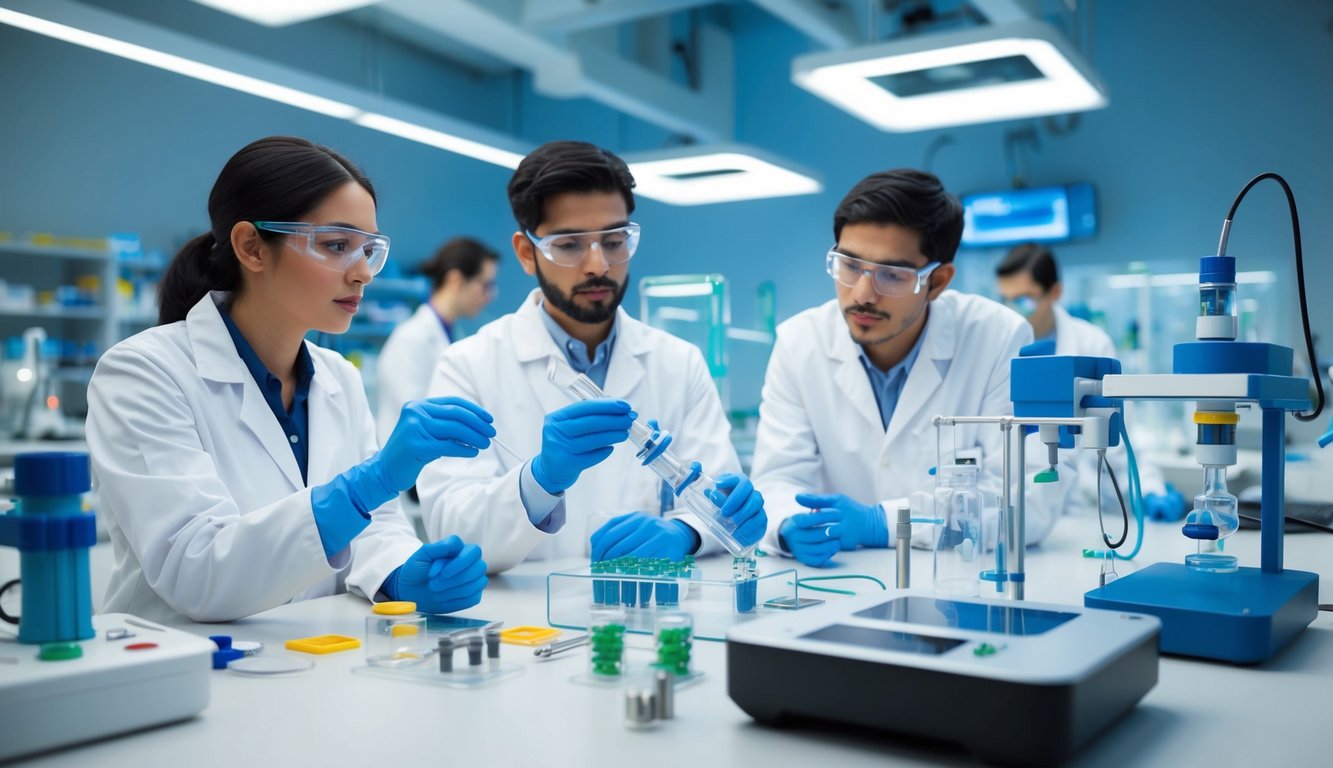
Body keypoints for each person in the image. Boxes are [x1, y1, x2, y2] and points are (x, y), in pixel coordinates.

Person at [86, 136, 491, 623]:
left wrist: (400, 574)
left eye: (370, 250)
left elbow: (376, 531)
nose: (363, 274)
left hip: (314, 666)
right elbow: (196, 568)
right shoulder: (143, 373)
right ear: (252, 247)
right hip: (180, 671)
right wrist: (369, 484)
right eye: (337, 246)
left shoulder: (338, 378)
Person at [416, 140, 766, 573]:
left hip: (651, 615)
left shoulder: (679, 362)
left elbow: (719, 503)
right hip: (525, 629)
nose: (598, 264)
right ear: (528, 254)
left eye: (615, 240)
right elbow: (451, 527)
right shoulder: (468, 366)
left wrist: (687, 532)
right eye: (569, 245)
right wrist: (540, 480)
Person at [752, 169, 1065, 568]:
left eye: (892, 275)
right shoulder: (799, 343)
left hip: (955, 583)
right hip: (839, 580)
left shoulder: (997, 338)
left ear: (937, 281)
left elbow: (1028, 500)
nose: (863, 294)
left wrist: (881, 523)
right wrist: (785, 525)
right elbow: (777, 479)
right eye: (849, 265)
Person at [995, 242, 1183, 520]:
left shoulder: (1092, 345)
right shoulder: (998, 347)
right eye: (1005, 300)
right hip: (1010, 509)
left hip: (1080, 512)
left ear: (1055, 292)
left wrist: (1150, 490)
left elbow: (1117, 443)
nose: (1013, 312)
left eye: (1024, 301)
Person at [376, 237, 499, 444]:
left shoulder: (452, 335)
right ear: (456, 280)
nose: (490, 296)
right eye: (485, 285)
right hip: (410, 463)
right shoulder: (411, 339)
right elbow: (418, 415)